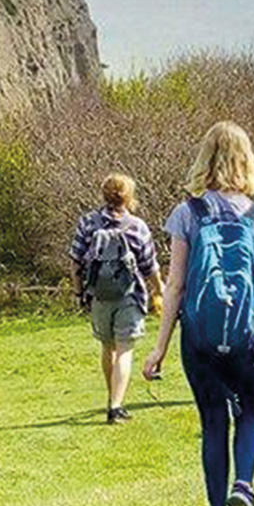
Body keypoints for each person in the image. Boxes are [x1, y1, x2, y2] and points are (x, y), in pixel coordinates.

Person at [143, 121, 254, 506]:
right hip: (251, 336)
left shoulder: (188, 214)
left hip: (199, 339)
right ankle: (244, 486)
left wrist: (159, 348)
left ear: (204, 159)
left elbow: (174, 286)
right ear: (248, 161)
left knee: (212, 421)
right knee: (252, 413)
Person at [70, 173, 164, 424]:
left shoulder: (88, 223)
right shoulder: (136, 226)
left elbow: (76, 261)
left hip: (99, 296)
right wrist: (159, 290)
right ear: (129, 196)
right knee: (125, 350)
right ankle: (116, 405)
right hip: (129, 296)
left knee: (107, 347)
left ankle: (112, 397)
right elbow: (149, 265)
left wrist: (79, 292)